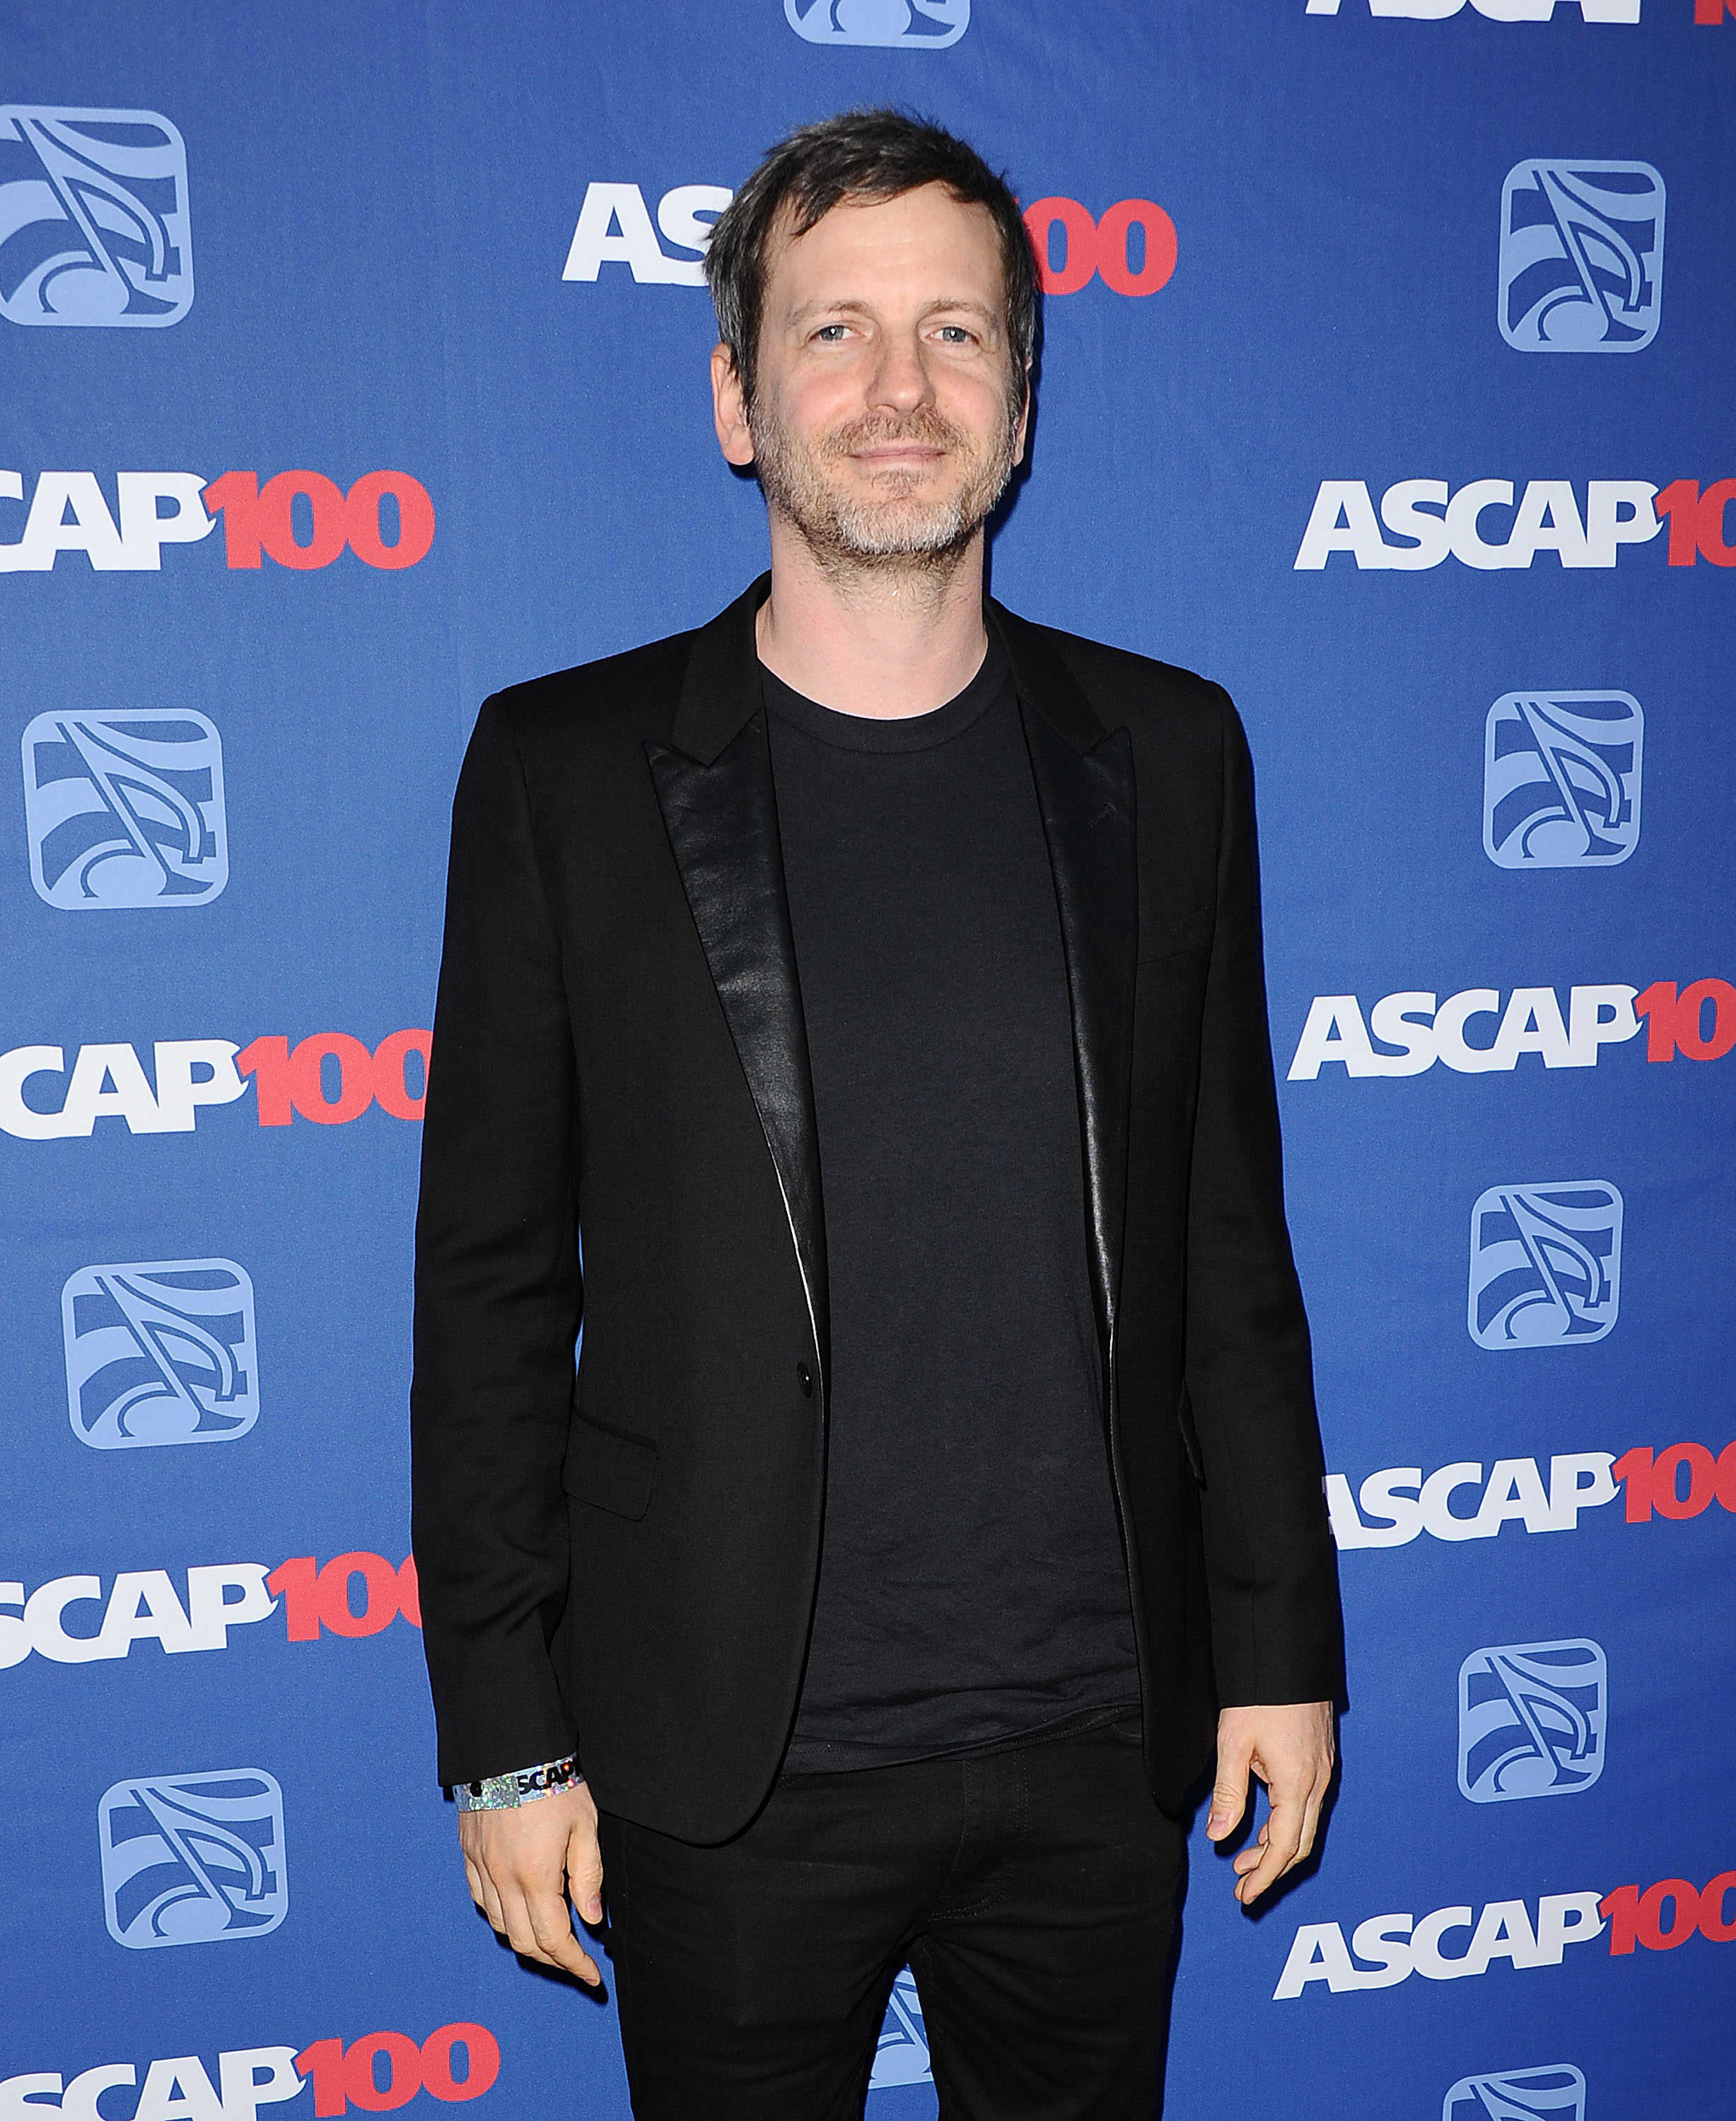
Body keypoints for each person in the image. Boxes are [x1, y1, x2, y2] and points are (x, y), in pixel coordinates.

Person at [411, 107, 1344, 2121]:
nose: (900, 392)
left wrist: (1280, 1645)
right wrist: (502, 1739)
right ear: (738, 398)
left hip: (1101, 1744)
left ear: (1023, 399)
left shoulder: (1172, 756)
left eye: (958, 334)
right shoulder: (563, 773)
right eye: (834, 335)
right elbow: (488, 1295)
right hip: (725, 1767)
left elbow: (1222, 1238)